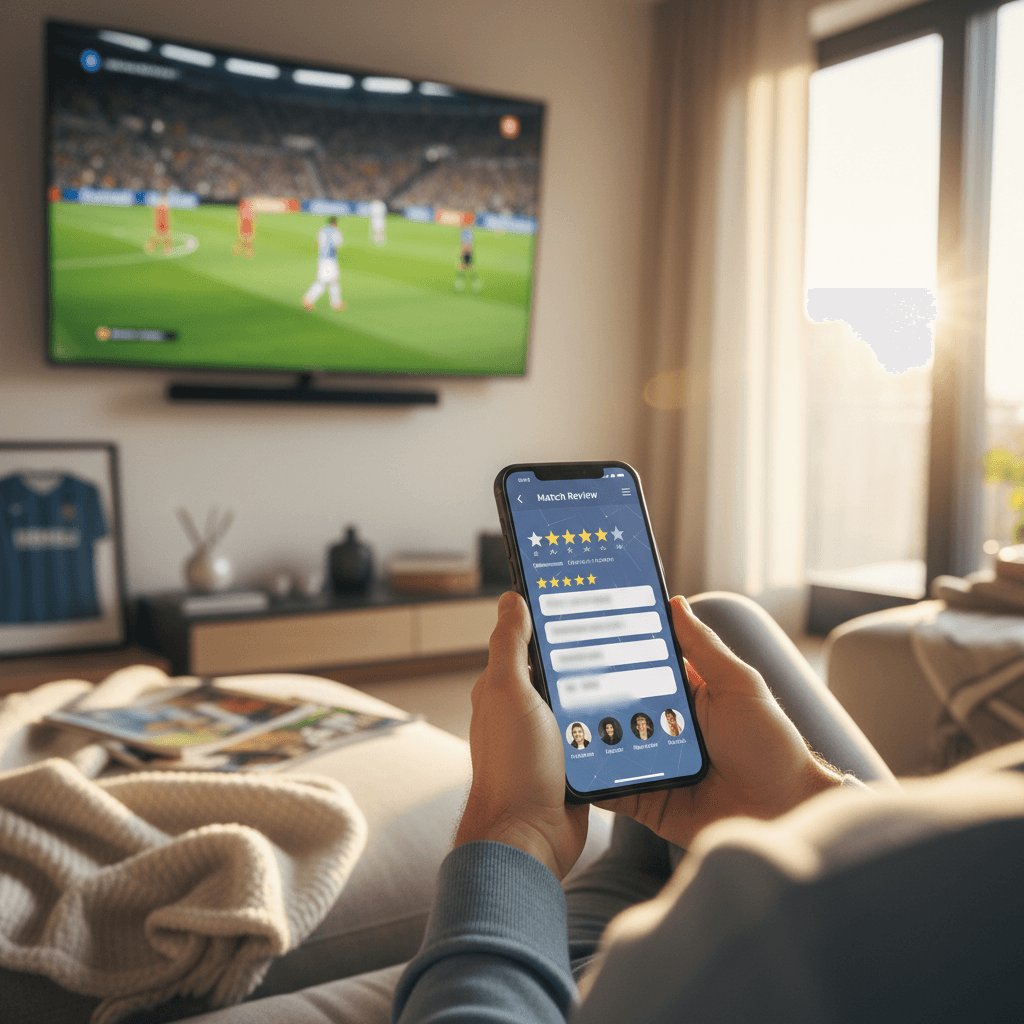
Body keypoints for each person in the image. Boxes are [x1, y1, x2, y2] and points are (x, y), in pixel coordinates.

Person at [392, 591, 1024, 1024]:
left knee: (701, 640)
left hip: (594, 985)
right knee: (686, 699)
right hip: (773, 860)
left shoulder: (791, 947)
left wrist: (513, 829)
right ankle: (694, 821)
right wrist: (792, 798)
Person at [302, 216, 345, 312]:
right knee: (325, 282)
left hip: (322, 259)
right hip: (330, 259)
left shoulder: (322, 230)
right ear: (335, 223)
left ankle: (336, 303)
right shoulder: (335, 232)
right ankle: (308, 300)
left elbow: (317, 243)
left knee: (332, 281)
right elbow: (336, 246)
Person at [453, 226, 481, 293]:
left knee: (465, 270)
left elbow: (467, 245)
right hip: (467, 253)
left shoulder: (466, 234)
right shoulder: (467, 233)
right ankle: (474, 285)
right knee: (467, 270)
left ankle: (462, 285)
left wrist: (462, 252)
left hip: (467, 254)